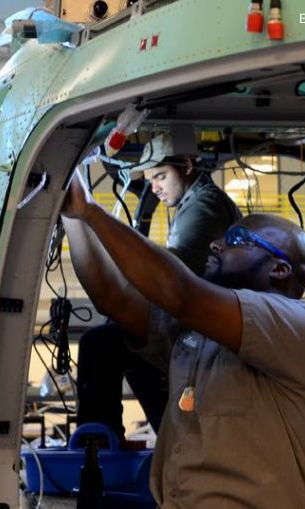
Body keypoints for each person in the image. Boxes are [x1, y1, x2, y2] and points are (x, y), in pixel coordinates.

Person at [61, 170, 305, 508]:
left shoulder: (303, 328)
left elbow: (180, 294)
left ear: (279, 270)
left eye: (236, 240)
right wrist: (73, 211)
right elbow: (112, 296)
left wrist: (92, 210)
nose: (215, 243)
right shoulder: (202, 340)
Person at [72, 133, 241, 439]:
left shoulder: (204, 206)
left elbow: (169, 279)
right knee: (115, 335)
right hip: (198, 326)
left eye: (161, 176)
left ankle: (98, 445)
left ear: (187, 165)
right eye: (151, 179)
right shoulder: (195, 204)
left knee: (102, 343)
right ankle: (140, 435)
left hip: (200, 330)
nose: (155, 187)